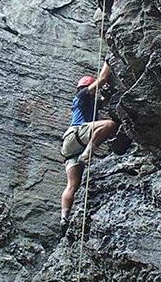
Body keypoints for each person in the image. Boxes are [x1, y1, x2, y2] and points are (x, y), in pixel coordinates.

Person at [59, 60, 117, 236]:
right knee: (109, 125)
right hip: (77, 135)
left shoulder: (88, 103)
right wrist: (108, 61)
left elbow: (103, 100)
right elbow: (102, 79)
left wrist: (106, 96)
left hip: (69, 148)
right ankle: (89, 151)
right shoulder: (83, 95)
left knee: (72, 185)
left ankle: (64, 218)